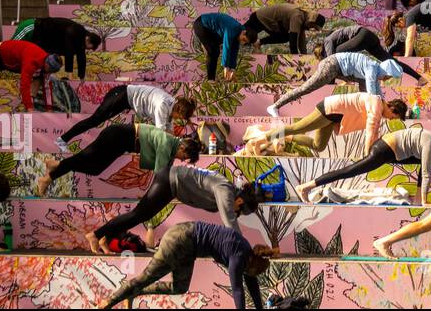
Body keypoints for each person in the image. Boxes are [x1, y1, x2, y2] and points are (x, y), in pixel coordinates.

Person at [101, 222, 278, 310]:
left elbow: (252, 284)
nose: (250, 274)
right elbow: (238, 289)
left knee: (180, 287)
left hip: (188, 247)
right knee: (147, 277)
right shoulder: (239, 257)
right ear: (252, 263)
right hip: (180, 239)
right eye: (253, 271)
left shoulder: (247, 254)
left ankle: (136, 292)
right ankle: (108, 302)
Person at [88, 165, 263, 253]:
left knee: (139, 215)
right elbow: (229, 222)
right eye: (238, 211)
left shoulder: (227, 190)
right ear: (239, 201)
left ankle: (105, 238)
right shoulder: (225, 191)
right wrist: (246, 250)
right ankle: (96, 235)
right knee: (138, 215)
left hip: (171, 186)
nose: (235, 213)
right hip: (169, 182)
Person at [298, 129, 431, 204]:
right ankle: (306, 187)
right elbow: (427, 174)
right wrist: (425, 201)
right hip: (384, 149)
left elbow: (425, 171)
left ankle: (416, 201)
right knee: (350, 171)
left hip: (392, 152)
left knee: (426, 164)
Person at [37, 124, 202, 196]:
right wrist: (151, 196)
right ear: (183, 148)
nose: (182, 160)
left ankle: (56, 165)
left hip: (122, 142)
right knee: (85, 157)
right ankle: (49, 176)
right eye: (184, 157)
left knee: (94, 169)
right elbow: (160, 176)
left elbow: (166, 172)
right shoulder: (167, 144)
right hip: (118, 135)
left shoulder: (172, 147)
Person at [245, 92, 409, 157]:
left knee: (318, 145)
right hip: (329, 110)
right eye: (393, 117)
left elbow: (371, 129)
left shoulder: (379, 107)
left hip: (335, 118)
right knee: (299, 126)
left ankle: (287, 138)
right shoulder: (377, 103)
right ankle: (259, 139)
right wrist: (367, 154)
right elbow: (371, 129)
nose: (390, 120)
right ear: (392, 109)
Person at [58, 84, 197, 150]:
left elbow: (169, 131)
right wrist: (178, 143)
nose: (178, 120)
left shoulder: (171, 105)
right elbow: (162, 133)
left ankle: (63, 139)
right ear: (178, 111)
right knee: (94, 120)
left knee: (95, 121)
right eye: (181, 118)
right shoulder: (162, 105)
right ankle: (62, 139)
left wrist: (177, 141)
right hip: (121, 95)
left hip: (125, 100)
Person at [267, 51, 406, 117]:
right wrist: (379, 109)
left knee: (366, 93)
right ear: (386, 72)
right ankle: (275, 105)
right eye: (388, 77)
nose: (387, 80)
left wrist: (387, 107)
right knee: (306, 88)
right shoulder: (371, 69)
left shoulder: (375, 72)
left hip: (342, 70)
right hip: (332, 65)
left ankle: (361, 117)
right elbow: (372, 95)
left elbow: (378, 94)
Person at [11, 17, 102, 79]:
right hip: (32, 27)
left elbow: (81, 58)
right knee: (11, 48)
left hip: (40, 41)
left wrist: (81, 77)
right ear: (88, 39)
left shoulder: (80, 41)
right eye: (90, 48)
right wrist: (69, 73)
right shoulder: (75, 31)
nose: (88, 50)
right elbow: (68, 50)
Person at [316, 24, 419, 77]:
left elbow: (330, 61)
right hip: (370, 38)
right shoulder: (334, 41)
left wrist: (329, 80)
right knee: (390, 60)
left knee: (335, 57)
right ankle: (419, 77)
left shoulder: (327, 41)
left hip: (362, 35)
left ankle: (342, 79)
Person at [241, 4, 326, 54]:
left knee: (285, 37)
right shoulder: (298, 16)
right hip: (260, 18)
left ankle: (259, 42)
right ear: (311, 21)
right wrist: (296, 58)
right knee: (240, 33)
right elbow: (293, 41)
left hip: (270, 24)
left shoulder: (303, 19)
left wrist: (305, 56)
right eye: (313, 26)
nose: (311, 28)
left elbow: (301, 41)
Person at [193, 11, 246, 81]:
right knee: (213, 52)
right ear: (244, 32)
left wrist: (232, 69)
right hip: (201, 24)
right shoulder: (232, 28)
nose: (242, 42)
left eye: (245, 42)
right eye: (243, 39)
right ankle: (211, 80)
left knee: (218, 49)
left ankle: (207, 48)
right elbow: (226, 47)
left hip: (213, 31)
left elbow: (234, 51)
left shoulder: (238, 33)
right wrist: (226, 67)